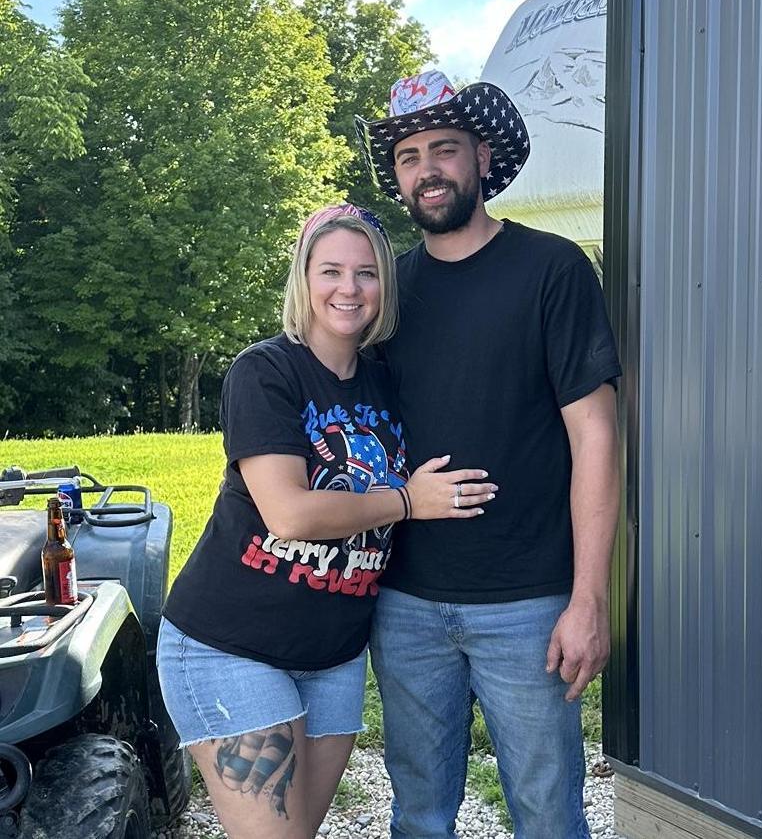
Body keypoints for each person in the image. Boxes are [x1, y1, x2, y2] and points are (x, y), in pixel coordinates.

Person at [156, 205, 497, 839]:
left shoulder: (388, 383)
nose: (350, 288)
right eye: (331, 271)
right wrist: (406, 501)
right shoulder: (266, 371)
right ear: (304, 278)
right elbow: (288, 513)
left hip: (334, 658)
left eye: (367, 273)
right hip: (231, 646)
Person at [355, 71, 622, 838]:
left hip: (527, 602)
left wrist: (587, 597)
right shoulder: (388, 291)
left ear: (481, 156)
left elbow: (596, 436)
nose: (426, 169)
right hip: (405, 603)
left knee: (547, 814)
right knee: (419, 816)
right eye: (408, 156)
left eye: (443, 148)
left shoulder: (551, 269)